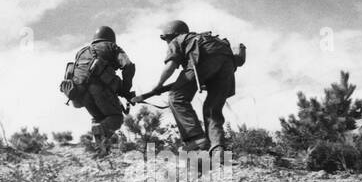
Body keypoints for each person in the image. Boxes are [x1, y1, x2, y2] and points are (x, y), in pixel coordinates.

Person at [137, 19, 245, 161]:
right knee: (212, 109)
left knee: (176, 97)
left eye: (166, 40)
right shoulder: (206, 38)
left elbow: (171, 65)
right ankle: (218, 149)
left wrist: (159, 85)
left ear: (171, 35)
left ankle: (196, 141)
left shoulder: (178, 40)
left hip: (203, 60)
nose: (167, 43)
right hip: (227, 64)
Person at [66, 25, 136, 157]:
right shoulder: (112, 47)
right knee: (115, 118)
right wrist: (126, 90)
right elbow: (128, 66)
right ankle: (102, 139)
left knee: (99, 118)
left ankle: (102, 151)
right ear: (111, 38)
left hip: (81, 93)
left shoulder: (81, 52)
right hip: (99, 88)